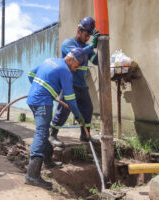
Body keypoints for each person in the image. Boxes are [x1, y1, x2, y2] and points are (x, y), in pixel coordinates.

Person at [25, 48, 87, 190]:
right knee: (41, 134)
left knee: (44, 132)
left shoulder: (50, 60)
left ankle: (48, 162)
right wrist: (78, 115)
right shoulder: (65, 71)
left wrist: (38, 88)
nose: (74, 70)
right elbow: (70, 98)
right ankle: (32, 175)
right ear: (70, 59)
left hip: (33, 100)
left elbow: (30, 74)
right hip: (42, 103)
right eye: (75, 66)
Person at [49, 17, 100, 147]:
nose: (88, 37)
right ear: (79, 31)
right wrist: (91, 47)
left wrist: (101, 47)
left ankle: (85, 135)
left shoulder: (87, 47)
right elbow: (76, 54)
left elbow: (96, 61)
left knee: (87, 109)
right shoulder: (68, 44)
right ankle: (52, 135)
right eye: (86, 34)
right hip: (69, 84)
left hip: (82, 86)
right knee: (64, 110)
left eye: (90, 35)